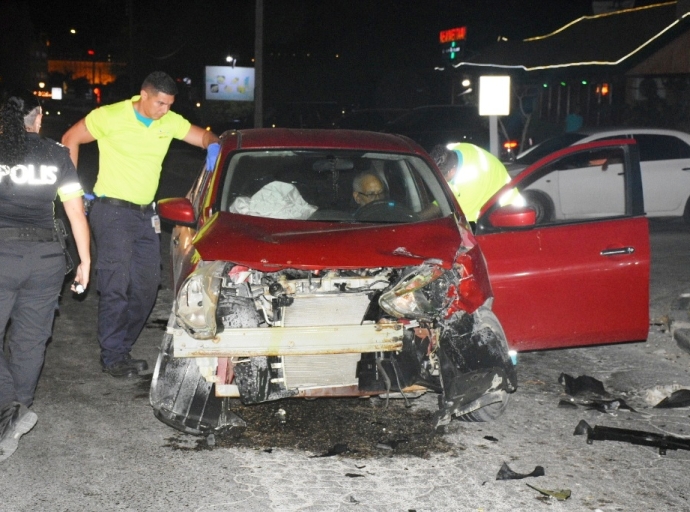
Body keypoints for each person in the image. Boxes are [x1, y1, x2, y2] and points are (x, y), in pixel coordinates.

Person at [61, 71, 220, 378]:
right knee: (116, 284)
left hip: (147, 215)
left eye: (170, 104)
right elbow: (70, 139)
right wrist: (72, 192)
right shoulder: (110, 116)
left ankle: (121, 346)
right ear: (143, 95)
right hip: (112, 211)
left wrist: (213, 145)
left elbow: (204, 136)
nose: (165, 110)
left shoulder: (169, 121)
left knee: (147, 286)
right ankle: (113, 355)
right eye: (160, 103)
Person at [0, 90, 90, 461]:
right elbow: (75, 211)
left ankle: (9, 410)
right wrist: (85, 260)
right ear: (38, 119)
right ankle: (14, 415)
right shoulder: (57, 154)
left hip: (3, 256)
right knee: (31, 341)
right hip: (47, 259)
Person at [430, 143, 511, 223]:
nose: (436, 182)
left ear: (451, 171)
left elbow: (462, 224)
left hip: (508, 215)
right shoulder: (450, 152)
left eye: (440, 178)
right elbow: (446, 196)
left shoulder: (470, 181)